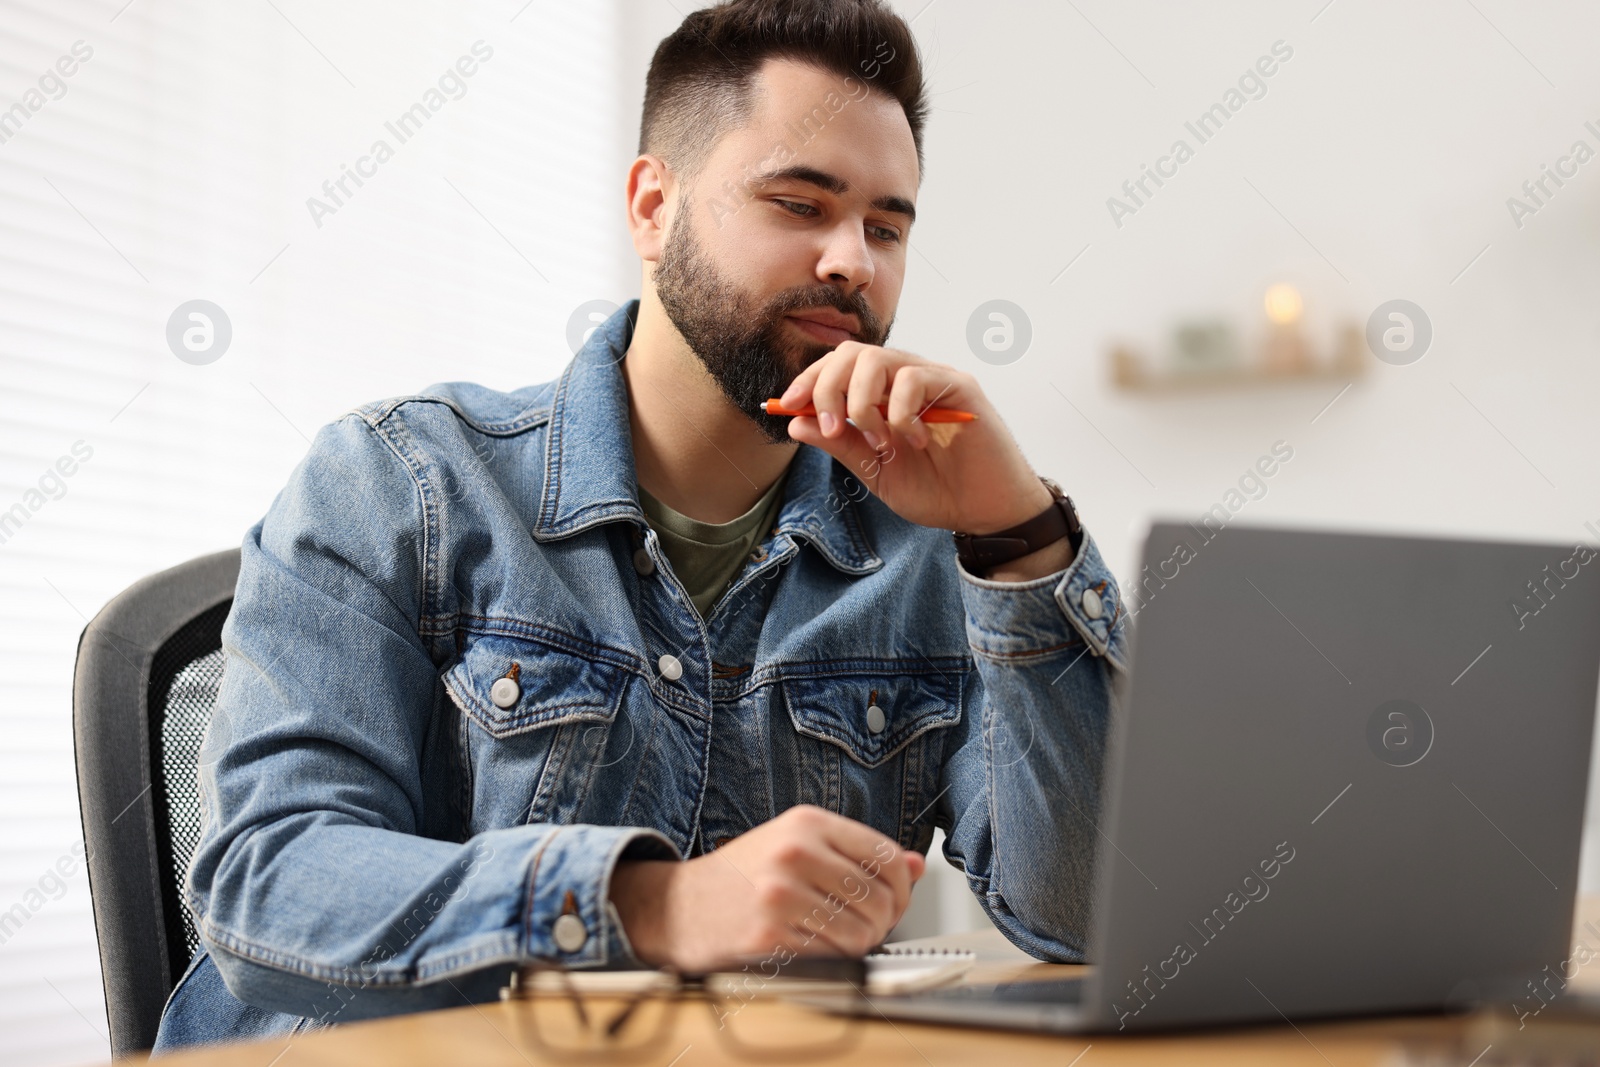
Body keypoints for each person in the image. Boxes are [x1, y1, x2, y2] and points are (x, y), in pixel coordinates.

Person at [153, 0, 1127, 1052]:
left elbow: (1083, 915)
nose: (853, 259)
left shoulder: (931, 545)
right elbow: (266, 883)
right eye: (800, 202)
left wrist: (1020, 538)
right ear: (653, 207)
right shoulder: (400, 482)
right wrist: (654, 903)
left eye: (887, 226)